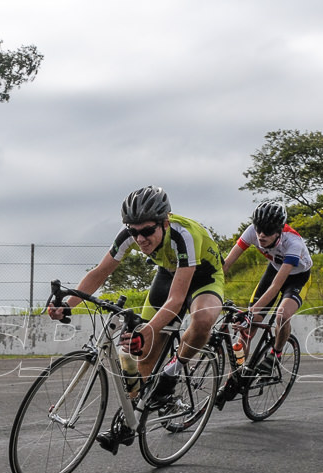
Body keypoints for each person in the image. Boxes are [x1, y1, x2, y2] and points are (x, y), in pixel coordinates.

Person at [47, 186, 225, 449]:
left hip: (204, 279)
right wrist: (69, 304)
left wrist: (147, 330)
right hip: (168, 275)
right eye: (133, 231)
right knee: (142, 356)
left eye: (147, 231)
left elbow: (177, 300)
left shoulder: (183, 235)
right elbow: (100, 272)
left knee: (201, 321)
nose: (140, 239)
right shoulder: (130, 235)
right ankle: (132, 422)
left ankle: (172, 373)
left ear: (165, 222)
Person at [221, 201, 312, 368]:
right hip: (275, 269)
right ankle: (235, 376)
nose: (261, 235)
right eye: (259, 229)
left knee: (282, 316)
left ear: (279, 231)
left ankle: (275, 354)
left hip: (297, 277)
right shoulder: (252, 232)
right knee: (247, 329)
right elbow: (226, 265)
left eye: (268, 231)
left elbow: (276, 287)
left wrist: (249, 312)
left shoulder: (293, 243)